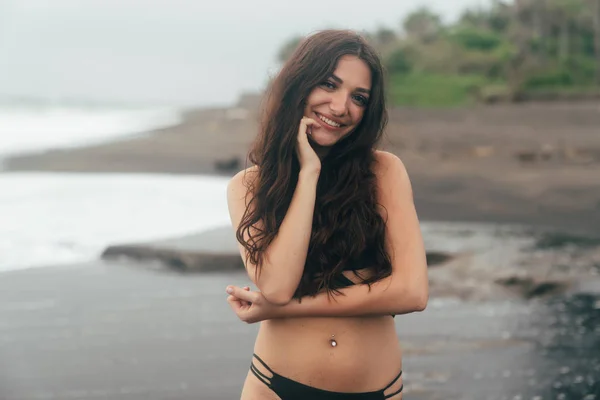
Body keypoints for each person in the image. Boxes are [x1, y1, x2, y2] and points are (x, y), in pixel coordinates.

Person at [225, 29, 428, 400]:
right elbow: (277, 286)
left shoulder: (383, 172)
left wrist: (284, 311)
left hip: (376, 390)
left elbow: (412, 292)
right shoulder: (250, 186)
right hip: (275, 386)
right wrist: (309, 174)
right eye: (329, 85)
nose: (339, 107)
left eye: (359, 97)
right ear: (299, 85)